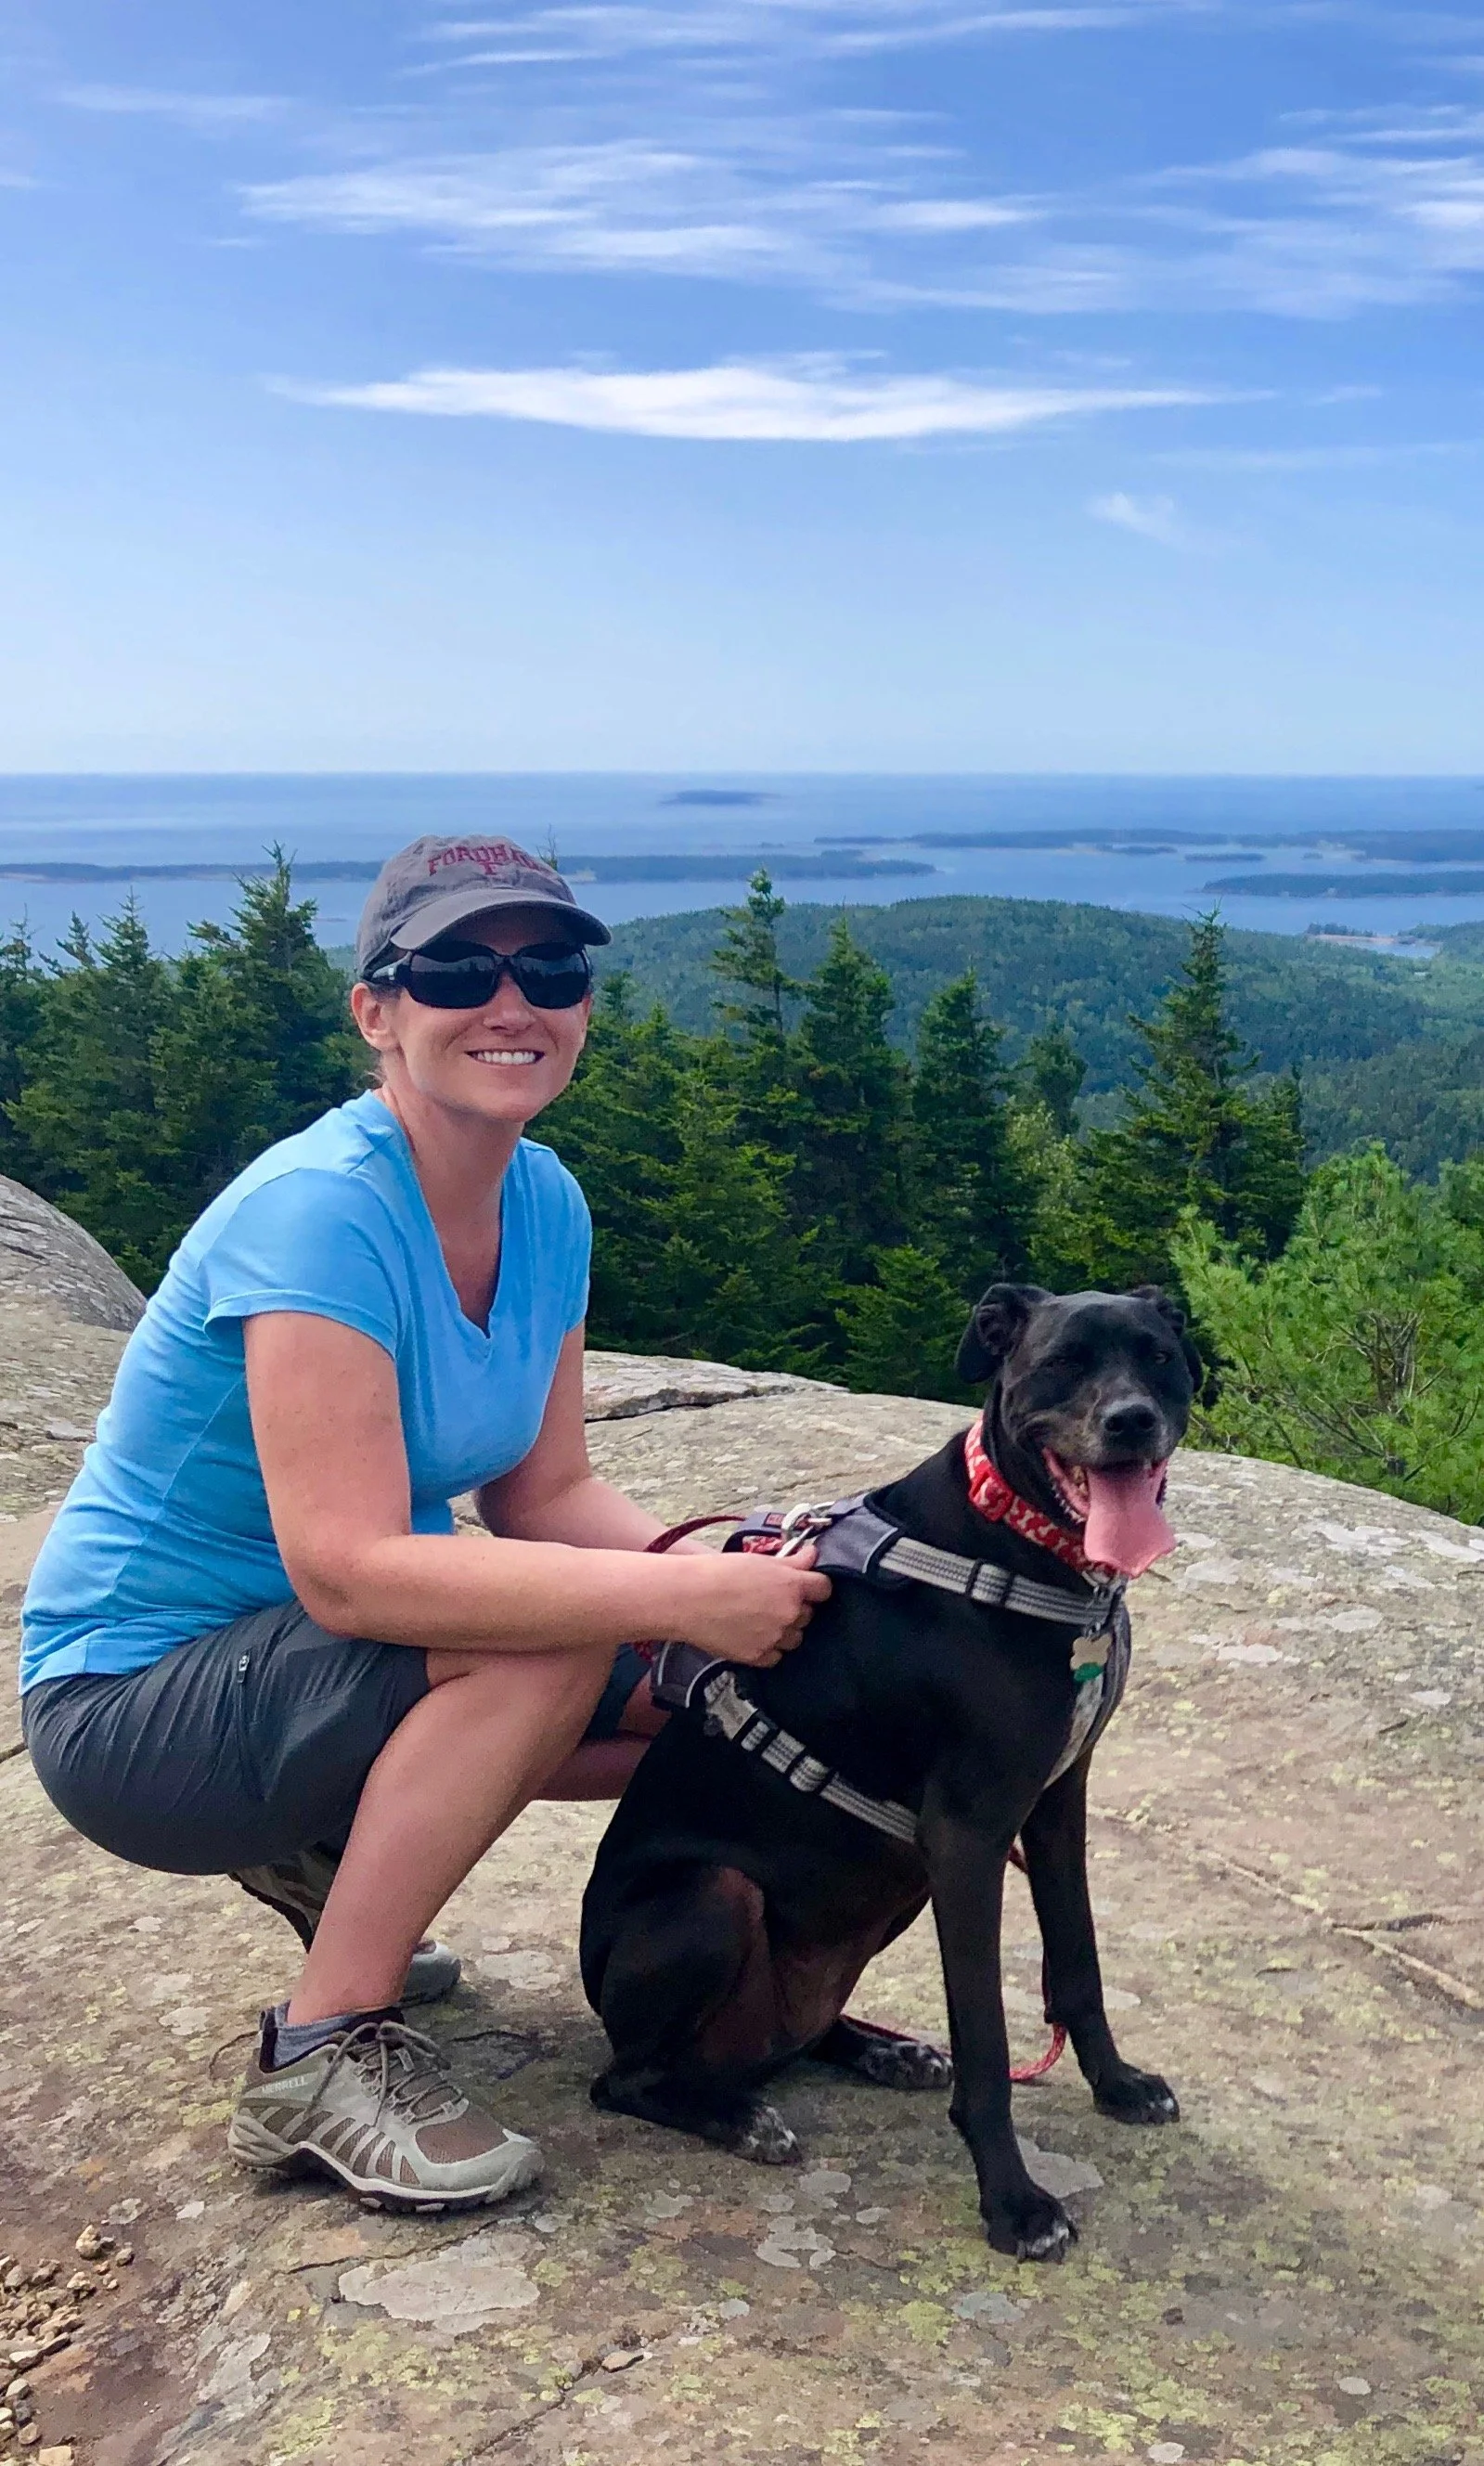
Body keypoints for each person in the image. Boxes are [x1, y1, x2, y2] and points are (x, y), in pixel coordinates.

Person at [19, 835, 829, 2214]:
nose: (510, 1002)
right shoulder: (321, 1215)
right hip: (131, 1704)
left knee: (721, 1703)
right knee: (552, 1643)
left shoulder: (544, 1199)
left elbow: (543, 1495)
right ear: (377, 1012)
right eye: (456, 965)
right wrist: (662, 1604)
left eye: (549, 968)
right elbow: (347, 1573)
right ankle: (323, 2047)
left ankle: (334, 1857)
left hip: (298, 1677)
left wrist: (716, 1580)